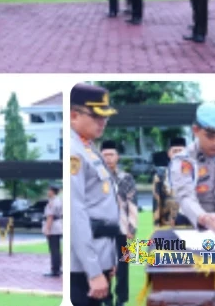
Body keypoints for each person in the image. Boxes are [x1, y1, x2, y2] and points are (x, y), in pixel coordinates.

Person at [70, 83, 120, 306]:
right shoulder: (74, 152)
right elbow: (76, 213)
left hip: (100, 256)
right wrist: (93, 270)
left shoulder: (88, 148)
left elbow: (103, 206)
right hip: (83, 267)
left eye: (105, 117)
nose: (103, 122)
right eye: (97, 116)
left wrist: (110, 259)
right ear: (74, 115)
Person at [170, 104, 215, 240]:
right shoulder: (184, 160)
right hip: (191, 223)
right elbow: (185, 196)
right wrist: (203, 217)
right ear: (195, 130)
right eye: (210, 136)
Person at [101, 140, 137, 306]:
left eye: (111, 154)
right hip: (102, 228)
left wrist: (132, 228)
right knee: (104, 264)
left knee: (123, 265)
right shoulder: (97, 177)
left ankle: (121, 299)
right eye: (105, 155)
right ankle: (106, 298)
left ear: (118, 157)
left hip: (123, 228)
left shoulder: (126, 178)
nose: (108, 158)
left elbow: (132, 203)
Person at [152, 137, 186, 227]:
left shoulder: (195, 174)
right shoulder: (160, 176)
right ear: (169, 154)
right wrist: (156, 226)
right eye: (175, 151)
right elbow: (157, 203)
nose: (178, 154)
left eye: (181, 151)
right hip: (167, 222)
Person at [42, 184, 63, 278]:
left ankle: (55, 270)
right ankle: (58, 268)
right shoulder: (58, 200)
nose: (48, 192)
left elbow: (50, 216)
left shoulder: (53, 202)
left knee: (54, 249)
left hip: (53, 227)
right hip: (58, 225)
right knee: (57, 249)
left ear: (52, 191)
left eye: (49, 190)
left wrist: (47, 229)